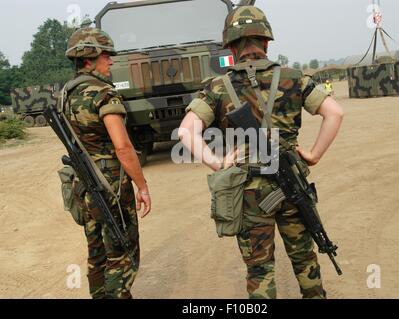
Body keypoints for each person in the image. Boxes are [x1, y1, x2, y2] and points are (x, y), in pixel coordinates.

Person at [179, 6, 344, 299]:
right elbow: (335, 113)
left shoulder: (218, 87)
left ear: (231, 46)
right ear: (266, 42)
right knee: (305, 259)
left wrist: (218, 163)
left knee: (259, 269)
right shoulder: (295, 78)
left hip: (248, 190)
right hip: (291, 181)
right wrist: (315, 154)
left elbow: (185, 132)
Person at [64, 27, 151, 299]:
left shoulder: (66, 94)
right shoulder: (103, 93)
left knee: (97, 253)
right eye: (106, 56)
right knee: (121, 252)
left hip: (84, 183)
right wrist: (142, 185)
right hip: (111, 185)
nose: (111, 61)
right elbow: (123, 148)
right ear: (89, 57)